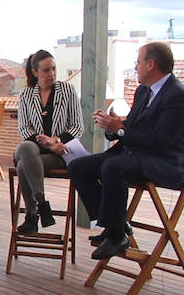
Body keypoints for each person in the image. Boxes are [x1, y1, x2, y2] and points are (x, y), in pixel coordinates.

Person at [68, 42, 184, 260]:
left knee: (113, 166)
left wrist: (120, 131)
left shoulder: (177, 95)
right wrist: (113, 126)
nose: (135, 67)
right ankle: (116, 225)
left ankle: (116, 233)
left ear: (151, 64)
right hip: (135, 154)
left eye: (138, 62)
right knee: (78, 166)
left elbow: (162, 142)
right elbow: (129, 127)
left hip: (164, 161)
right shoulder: (143, 91)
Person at [14, 50, 84, 233]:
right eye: (46, 70)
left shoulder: (67, 91)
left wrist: (56, 141)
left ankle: (31, 215)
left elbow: (78, 126)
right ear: (35, 72)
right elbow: (24, 128)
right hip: (33, 149)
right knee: (25, 147)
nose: (51, 73)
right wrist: (47, 143)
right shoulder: (26, 94)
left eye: (53, 69)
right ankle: (42, 203)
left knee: (23, 165)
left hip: (59, 152)